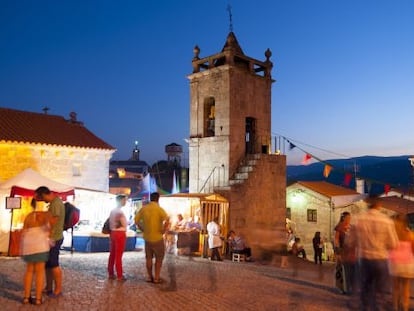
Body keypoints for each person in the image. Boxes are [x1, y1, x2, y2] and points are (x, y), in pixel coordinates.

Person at [351, 199, 399, 310]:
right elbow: (394, 244)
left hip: (364, 259)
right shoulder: (386, 221)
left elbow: (350, 241)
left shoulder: (359, 219)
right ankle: (378, 307)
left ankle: (365, 307)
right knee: (380, 291)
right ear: (379, 205)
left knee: (365, 288)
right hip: (380, 259)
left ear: (368, 203)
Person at [34, 186, 65, 298]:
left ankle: (58, 290)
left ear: (44, 195)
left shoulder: (56, 203)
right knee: (48, 265)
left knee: (54, 264)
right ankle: (49, 288)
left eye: (41, 198)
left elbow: (53, 221)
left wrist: (41, 225)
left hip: (54, 238)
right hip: (51, 238)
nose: (42, 201)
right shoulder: (54, 203)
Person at [21, 198, 51, 305]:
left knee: (29, 271)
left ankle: (26, 297)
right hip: (40, 247)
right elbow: (48, 229)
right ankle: (38, 299)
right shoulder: (44, 216)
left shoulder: (28, 217)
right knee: (40, 272)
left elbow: (23, 232)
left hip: (29, 247)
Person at [135, 192, 168, 284]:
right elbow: (167, 220)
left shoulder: (144, 209)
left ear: (150, 198)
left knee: (148, 258)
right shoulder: (159, 209)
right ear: (158, 199)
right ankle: (157, 277)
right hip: (158, 238)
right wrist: (163, 230)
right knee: (159, 258)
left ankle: (149, 277)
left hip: (147, 238)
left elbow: (136, 221)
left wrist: (142, 229)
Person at [388, 214, 414, 311]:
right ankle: (405, 307)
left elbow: (388, 246)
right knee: (406, 288)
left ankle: (395, 307)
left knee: (395, 288)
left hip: (395, 262)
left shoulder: (392, 234)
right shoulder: (410, 234)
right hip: (408, 263)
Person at [107, 194, 128, 281]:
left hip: (113, 233)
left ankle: (111, 273)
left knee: (112, 254)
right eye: (124, 200)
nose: (125, 202)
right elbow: (124, 225)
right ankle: (120, 275)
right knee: (118, 255)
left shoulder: (112, 211)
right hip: (120, 234)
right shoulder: (120, 212)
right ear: (120, 201)